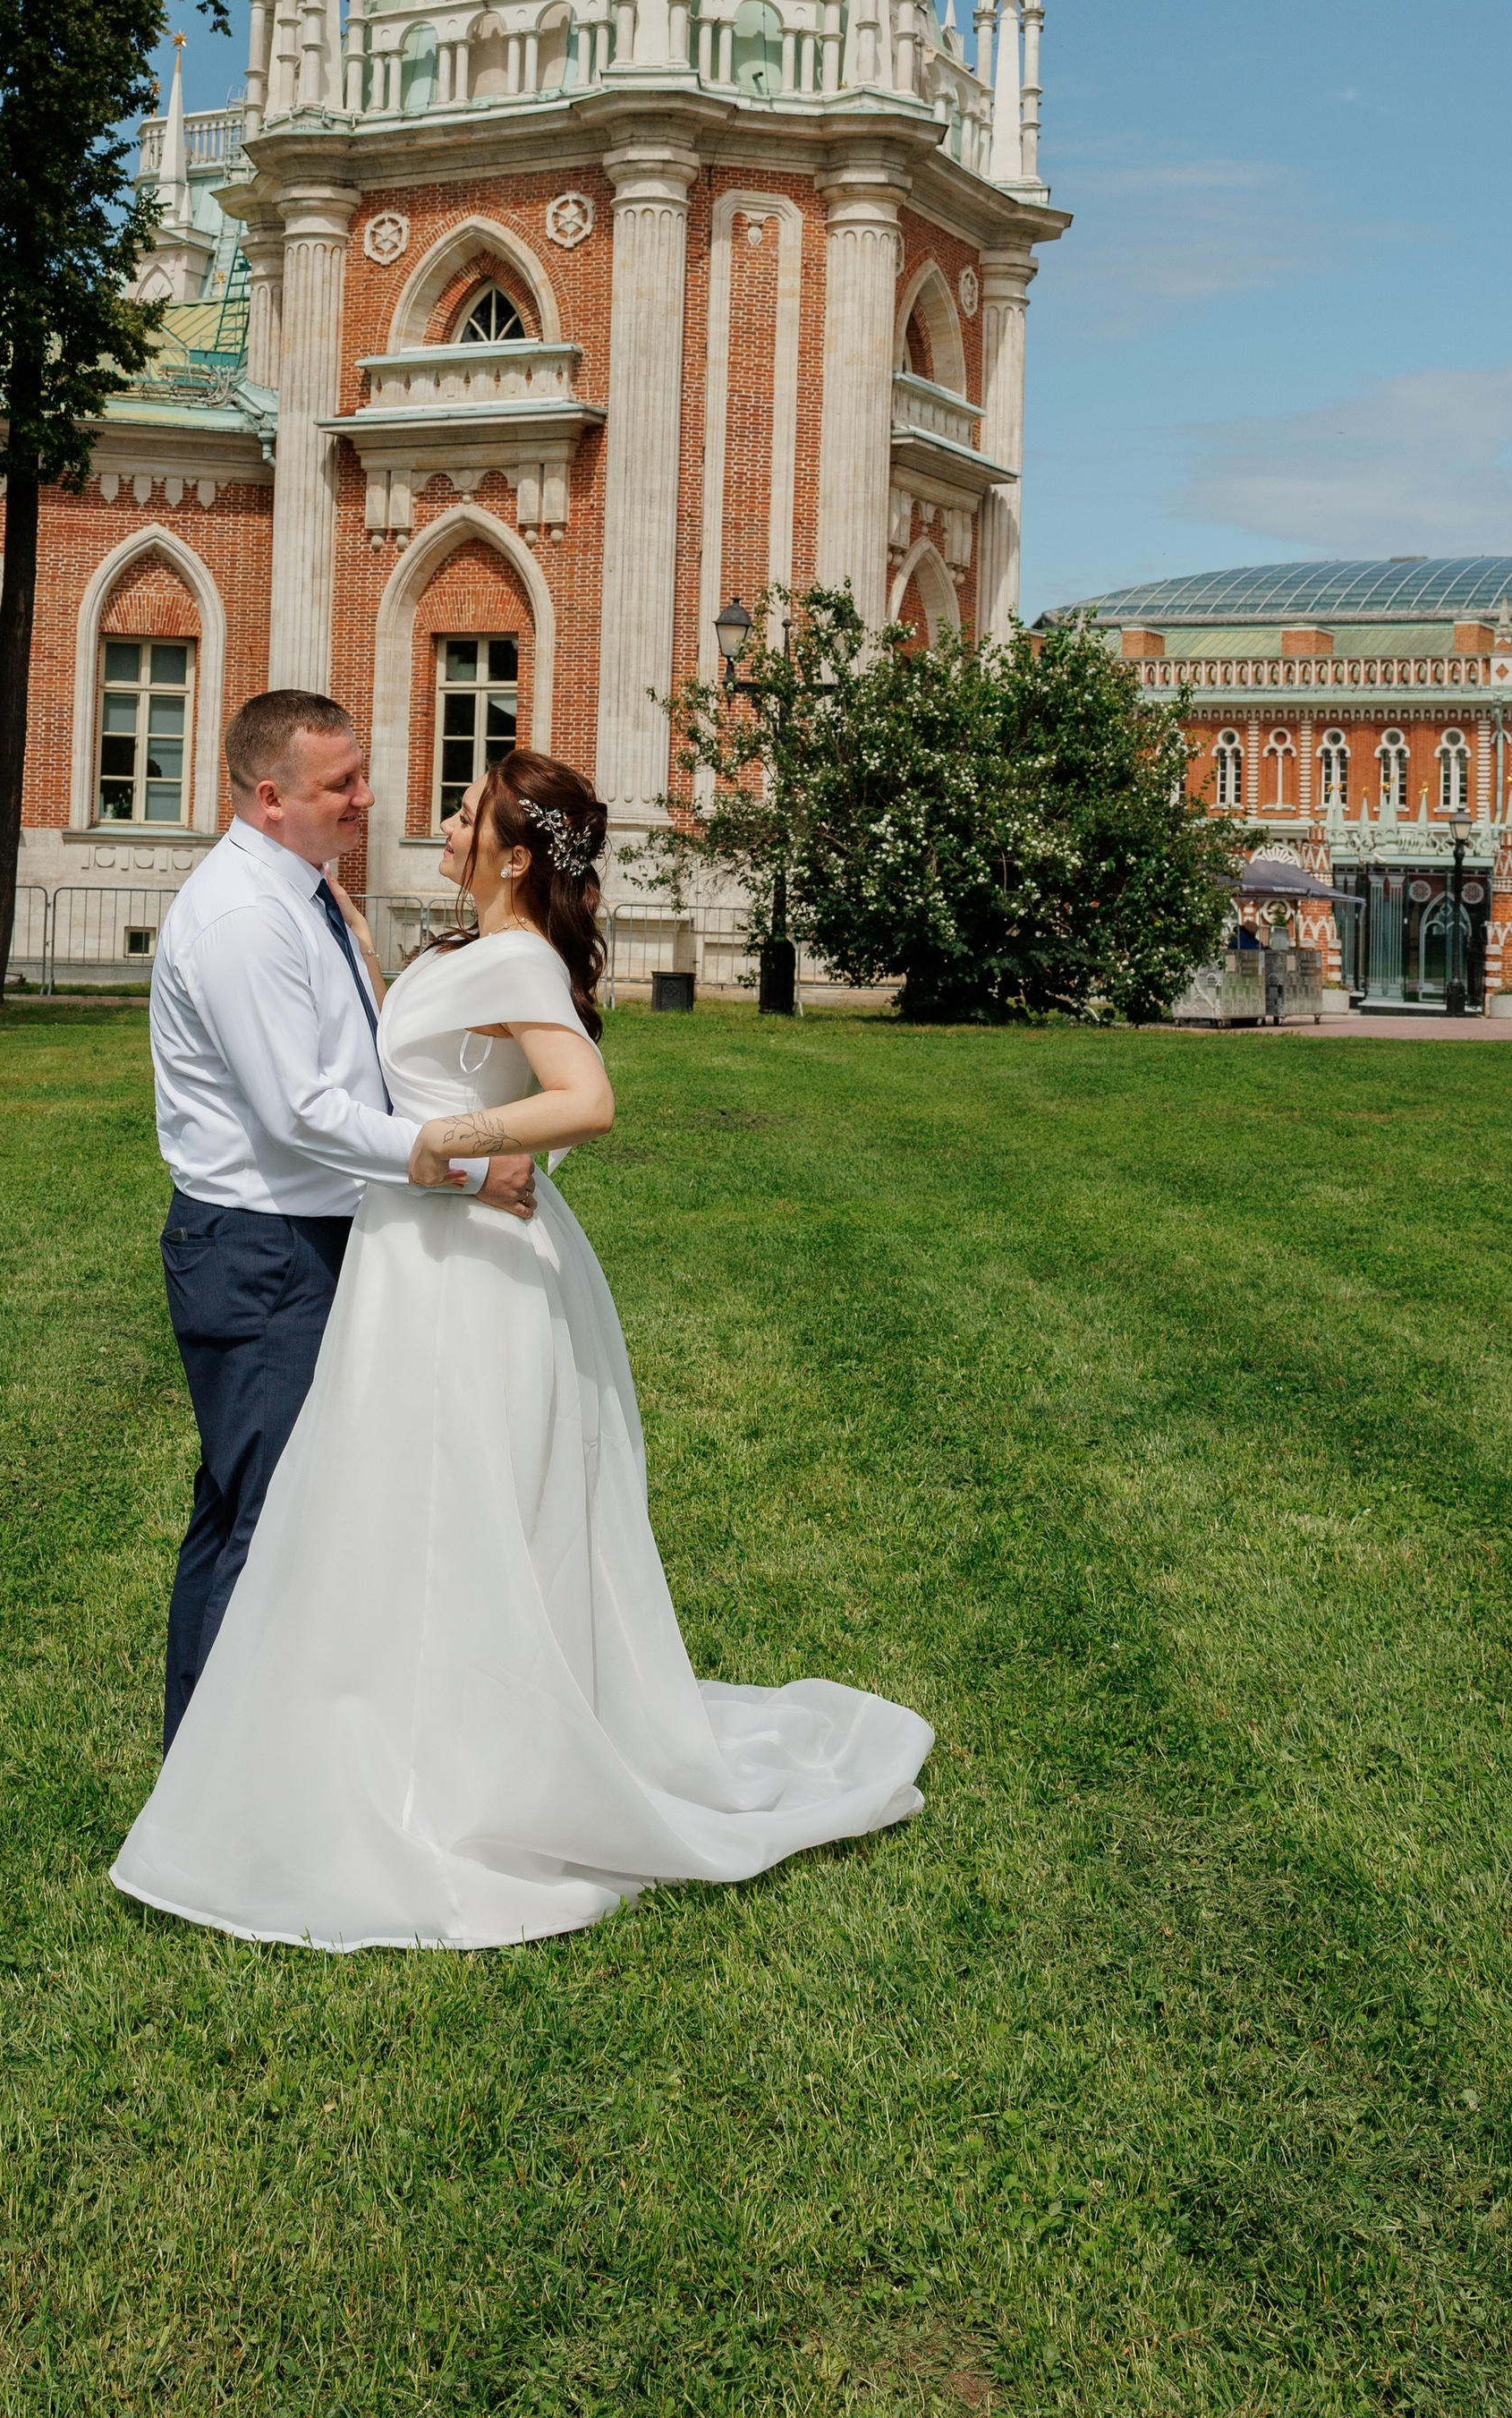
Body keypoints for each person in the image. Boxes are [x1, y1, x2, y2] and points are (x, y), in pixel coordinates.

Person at [114, 744, 932, 1951]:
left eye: (465, 809)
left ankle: (469, 1768)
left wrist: (462, 1136)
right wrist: (352, 940)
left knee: (468, 1511)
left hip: (466, 1273)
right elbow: (407, 1056)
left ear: (508, 853)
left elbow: (584, 1099)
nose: (433, 818)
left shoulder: (515, 958)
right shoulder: (456, 950)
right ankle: (387, 1735)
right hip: (413, 1255)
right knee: (406, 1511)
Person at [143, 688, 538, 1750]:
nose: (367, 799)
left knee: (249, 1501)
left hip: (298, 1237)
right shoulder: (240, 918)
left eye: (360, 775)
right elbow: (300, 1113)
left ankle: (224, 1752)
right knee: (265, 1516)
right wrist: (461, 1170)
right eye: (341, 786)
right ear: (270, 799)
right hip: (262, 1248)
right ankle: (218, 1779)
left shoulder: (303, 889)